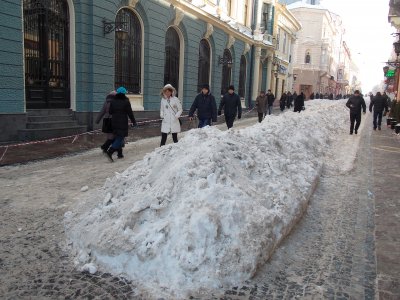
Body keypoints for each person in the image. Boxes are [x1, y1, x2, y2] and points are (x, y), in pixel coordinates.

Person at [106, 87, 137, 162]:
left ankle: (120, 154)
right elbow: (130, 113)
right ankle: (110, 151)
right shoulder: (126, 101)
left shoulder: (113, 101)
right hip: (122, 122)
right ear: (124, 93)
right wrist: (134, 122)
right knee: (120, 137)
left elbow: (110, 112)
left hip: (114, 121)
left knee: (118, 136)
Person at [95, 90, 120, 156]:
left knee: (110, 136)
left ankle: (108, 149)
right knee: (114, 136)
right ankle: (105, 147)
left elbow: (102, 111)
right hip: (114, 121)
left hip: (106, 120)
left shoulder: (106, 101)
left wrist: (97, 120)